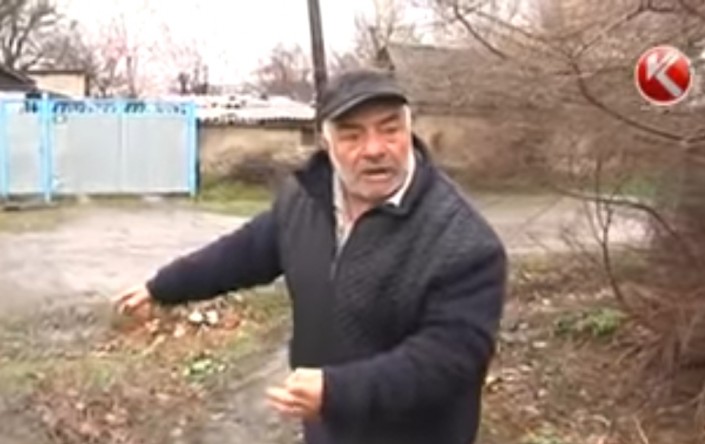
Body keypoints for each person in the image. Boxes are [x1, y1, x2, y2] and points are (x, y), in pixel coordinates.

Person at [113, 68, 507, 444]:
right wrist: (162, 287)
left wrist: (337, 391)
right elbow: (245, 252)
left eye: (390, 130)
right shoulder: (308, 198)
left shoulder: (463, 241)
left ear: (409, 129)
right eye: (352, 135)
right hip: (327, 427)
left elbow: (448, 360)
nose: (374, 149)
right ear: (326, 142)